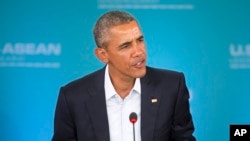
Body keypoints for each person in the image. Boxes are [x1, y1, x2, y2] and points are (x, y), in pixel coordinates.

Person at [52, 10, 196, 141]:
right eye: (126, 46)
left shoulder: (171, 87)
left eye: (140, 40)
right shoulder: (73, 97)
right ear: (103, 55)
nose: (138, 52)